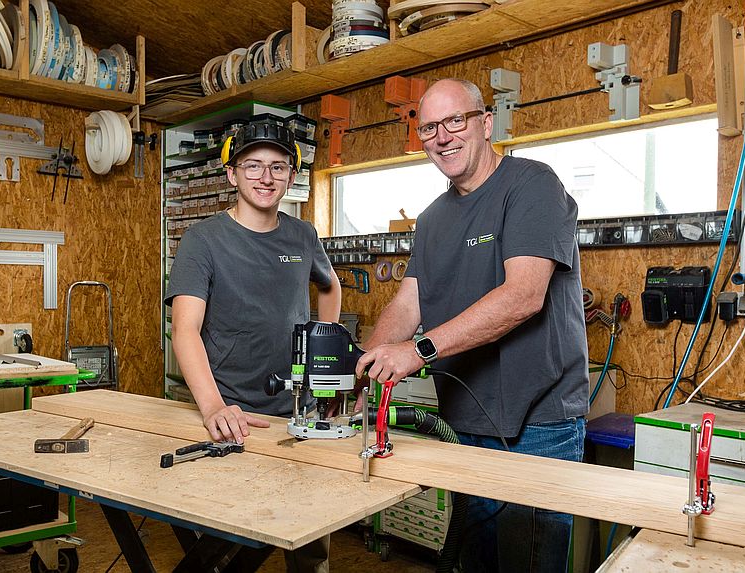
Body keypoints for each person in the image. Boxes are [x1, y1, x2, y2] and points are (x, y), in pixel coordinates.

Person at [355, 79, 589, 573]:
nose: (443, 136)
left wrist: (415, 352)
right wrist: (362, 369)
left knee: (531, 563)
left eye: (455, 121)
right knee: (475, 560)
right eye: (429, 129)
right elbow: (409, 300)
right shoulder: (433, 218)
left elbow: (524, 296)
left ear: (485, 123)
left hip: (538, 423)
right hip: (463, 420)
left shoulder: (532, 184)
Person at [165, 119, 340, 573]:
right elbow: (185, 330)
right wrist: (212, 409)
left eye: (278, 168)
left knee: (310, 539)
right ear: (232, 173)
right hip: (233, 413)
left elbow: (330, 288)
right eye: (254, 166)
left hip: (298, 411)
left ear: (292, 174)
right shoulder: (202, 240)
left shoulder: (302, 236)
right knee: (232, 543)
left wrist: (324, 360)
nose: (266, 178)